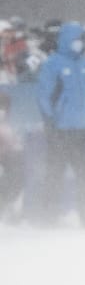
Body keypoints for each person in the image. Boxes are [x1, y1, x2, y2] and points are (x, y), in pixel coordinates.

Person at [36, 22, 85, 228]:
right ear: (67, 40)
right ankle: (48, 219)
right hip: (61, 129)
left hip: (82, 129)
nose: (81, 44)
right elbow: (43, 96)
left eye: (83, 40)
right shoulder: (52, 64)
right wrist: (49, 121)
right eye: (78, 39)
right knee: (54, 175)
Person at [0, 93, 24, 222]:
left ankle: (6, 206)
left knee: (17, 171)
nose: (1, 111)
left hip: (8, 161)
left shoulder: (7, 126)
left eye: (3, 108)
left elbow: (14, 146)